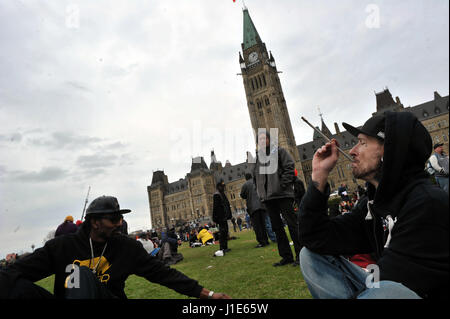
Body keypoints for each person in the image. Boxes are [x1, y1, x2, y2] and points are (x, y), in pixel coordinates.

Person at [298, 111, 449, 299]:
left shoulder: (427, 204)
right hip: (383, 282)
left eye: (362, 143)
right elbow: (315, 237)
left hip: (402, 288)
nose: (352, 151)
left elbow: (390, 282)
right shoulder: (373, 204)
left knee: (388, 290)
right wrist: (318, 177)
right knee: (311, 256)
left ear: (389, 150)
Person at [0, 195, 231, 299]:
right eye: (114, 219)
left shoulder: (125, 248)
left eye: (120, 218)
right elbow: (18, 270)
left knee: (81, 274)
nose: (120, 224)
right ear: (95, 222)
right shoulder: (62, 247)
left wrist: (208, 294)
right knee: (12, 284)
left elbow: (164, 274)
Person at [253, 130, 301, 267]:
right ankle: (286, 256)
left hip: (283, 195)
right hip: (268, 198)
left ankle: (300, 255)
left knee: (292, 225)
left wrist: (282, 185)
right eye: (260, 139)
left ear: (269, 139)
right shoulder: (258, 158)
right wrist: (260, 192)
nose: (262, 141)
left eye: (264, 138)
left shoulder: (280, 151)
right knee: (277, 228)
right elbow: (256, 177)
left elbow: (290, 167)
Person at [240, 173, 269, 248]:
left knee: (257, 226)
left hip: (253, 207)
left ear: (246, 178)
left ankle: (262, 242)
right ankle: (266, 240)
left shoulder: (245, 185)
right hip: (262, 205)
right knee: (263, 224)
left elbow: (242, 195)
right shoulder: (257, 181)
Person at [212, 180, 232, 253]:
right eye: (222, 186)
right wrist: (215, 218)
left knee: (225, 232)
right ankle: (222, 247)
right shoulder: (217, 195)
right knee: (222, 232)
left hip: (224, 216)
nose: (223, 188)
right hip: (221, 217)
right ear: (219, 187)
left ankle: (225, 247)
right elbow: (215, 207)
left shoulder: (221, 194)